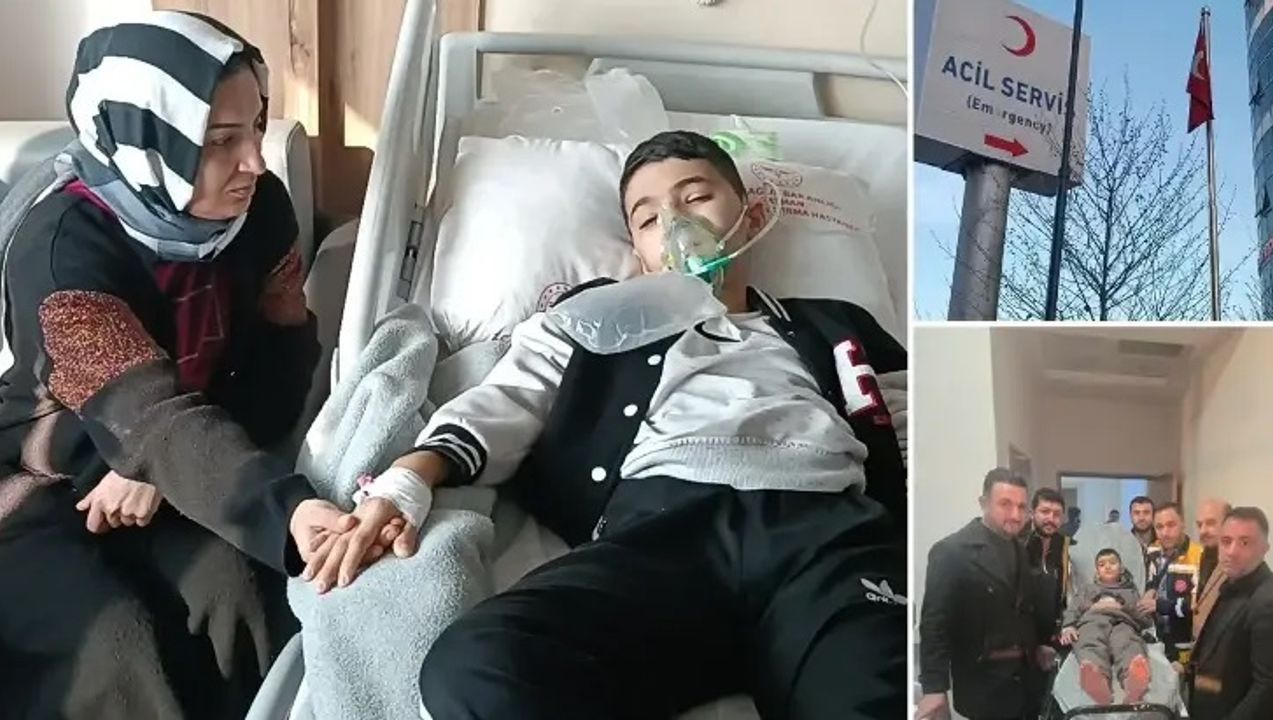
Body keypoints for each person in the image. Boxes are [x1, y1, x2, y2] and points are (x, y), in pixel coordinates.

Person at [304, 130, 907, 718]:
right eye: (649, 219)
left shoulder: (834, 324)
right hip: (662, 536)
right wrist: (407, 479)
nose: (677, 225)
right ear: (639, 251)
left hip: (825, 536)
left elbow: (912, 428)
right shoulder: (598, 317)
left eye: (696, 197)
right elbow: (508, 399)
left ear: (750, 218)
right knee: (477, 669)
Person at [0, 14, 400, 719]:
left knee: (239, 597)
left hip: (184, 457)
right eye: (219, 141)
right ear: (146, 139)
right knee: (113, 651)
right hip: (44, 473)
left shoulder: (261, 211)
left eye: (256, 129)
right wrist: (282, 505)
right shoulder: (61, 251)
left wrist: (165, 471)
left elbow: (283, 360)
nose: (255, 163)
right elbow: (144, 414)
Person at [918, 469, 1053, 720]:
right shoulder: (952, 552)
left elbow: (1023, 610)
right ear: (984, 503)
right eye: (1005, 504)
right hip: (983, 687)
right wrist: (934, 688)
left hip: (1025, 684)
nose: (1015, 515)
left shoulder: (1021, 551)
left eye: (1021, 507)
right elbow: (934, 624)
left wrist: (1040, 646)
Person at [1189, 507, 1273, 719]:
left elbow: (1268, 687)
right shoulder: (1232, 584)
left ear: (1265, 548)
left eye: (1245, 543)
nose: (1231, 551)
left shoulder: (1270, 601)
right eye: (1226, 541)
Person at [1058, 548, 1152, 705]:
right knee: (1089, 641)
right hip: (1092, 621)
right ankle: (1098, 682)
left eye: (1112, 563)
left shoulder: (1131, 591)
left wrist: (1122, 606)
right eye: (1102, 565)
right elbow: (1073, 609)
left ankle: (1133, 682)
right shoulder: (1087, 589)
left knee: (1128, 642)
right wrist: (1068, 626)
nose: (1107, 566)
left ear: (1121, 568)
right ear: (1097, 571)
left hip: (1123, 622)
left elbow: (1144, 619)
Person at [1140, 502, 1203, 668]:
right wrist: (1150, 590)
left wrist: (1160, 605)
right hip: (1155, 637)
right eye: (1159, 527)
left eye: (1171, 525)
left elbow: (1198, 607)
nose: (1165, 533)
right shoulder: (1152, 550)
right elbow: (1151, 578)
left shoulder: (1199, 557)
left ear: (1183, 523)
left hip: (1183, 640)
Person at [1024, 487, 1072, 632]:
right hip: (1022, 631)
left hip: (1054, 628)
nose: (1051, 519)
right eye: (1045, 512)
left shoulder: (1064, 545)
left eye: (1057, 514)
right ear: (1032, 513)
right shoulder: (1018, 544)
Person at [1193, 498, 1231, 641]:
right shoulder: (1205, 555)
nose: (1203, 531)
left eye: (1210, 523)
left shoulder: (1236, 565)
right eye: (1199, 525)